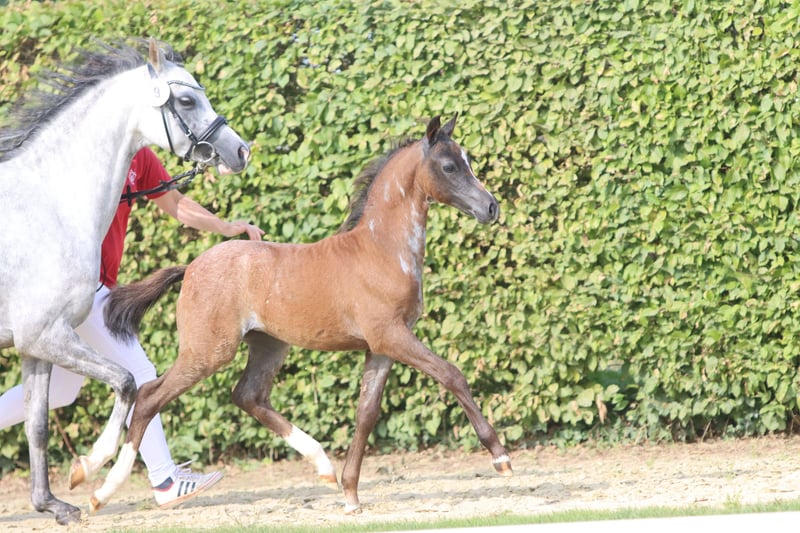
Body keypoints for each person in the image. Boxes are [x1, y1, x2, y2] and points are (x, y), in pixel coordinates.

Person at [0, 147, 265, 508]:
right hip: (80, 286)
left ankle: (161, 476)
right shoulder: (85, 147)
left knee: (61, 390)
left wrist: (226, 227)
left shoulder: (141, 157)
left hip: (96, 287)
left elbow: (175, 202)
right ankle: (165, 479)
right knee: (140, 372)